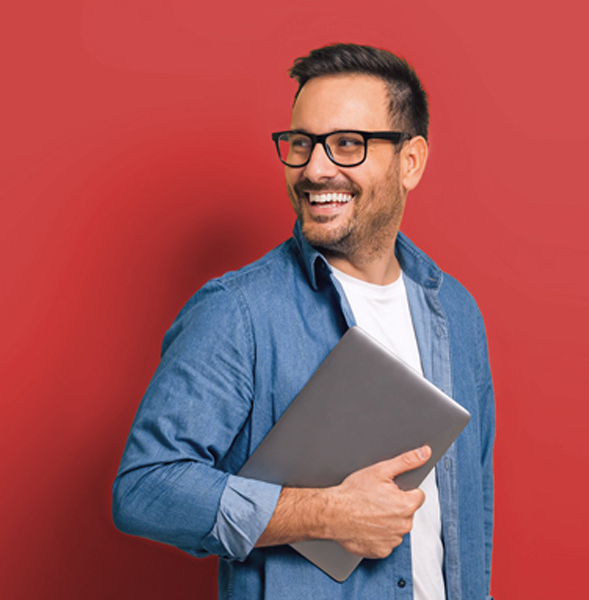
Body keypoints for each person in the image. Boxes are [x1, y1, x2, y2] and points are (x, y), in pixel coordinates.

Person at [113, 43, 495, 600]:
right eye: (301, 144)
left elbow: (468, 516)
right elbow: (145, 488)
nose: (315, 169)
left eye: (347, 144)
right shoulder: (237, 311)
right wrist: (325, 513)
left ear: (410, 161)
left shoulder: (456, 314)